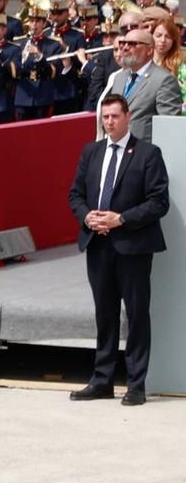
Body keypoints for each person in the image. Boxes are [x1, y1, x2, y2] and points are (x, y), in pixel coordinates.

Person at [67, 93, 169, 408]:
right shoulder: (91, 152)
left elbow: (158, 202)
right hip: (98, 245)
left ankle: (136, 385)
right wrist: (87, 215)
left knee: (136, 315)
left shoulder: (148, 154)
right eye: (105, 117)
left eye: (114, 116)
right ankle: (102, 381)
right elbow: (75, 194)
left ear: (127, 117)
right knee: (105, 315)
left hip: (133, 247)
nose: (109, 122)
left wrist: (121, 219)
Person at [101, 28, 180, 141]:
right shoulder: (119, 78)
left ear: (149, 50)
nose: (125, 48)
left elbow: (168, 127)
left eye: (132, 44)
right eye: (122, 43)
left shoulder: (164, 80)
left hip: (144, 152)